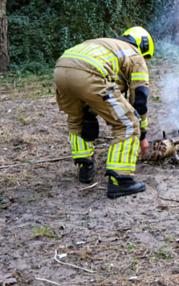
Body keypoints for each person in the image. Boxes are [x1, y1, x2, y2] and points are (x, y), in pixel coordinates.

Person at [54, 27, 153, 199]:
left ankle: (85, 167)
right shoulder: (135, 54)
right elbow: (140, 97)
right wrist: (142, 134)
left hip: (61, 69)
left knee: (79, 117)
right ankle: (121, 181)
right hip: (88, 73)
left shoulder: (106, 44)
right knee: (127, 123)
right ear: (144, 46)